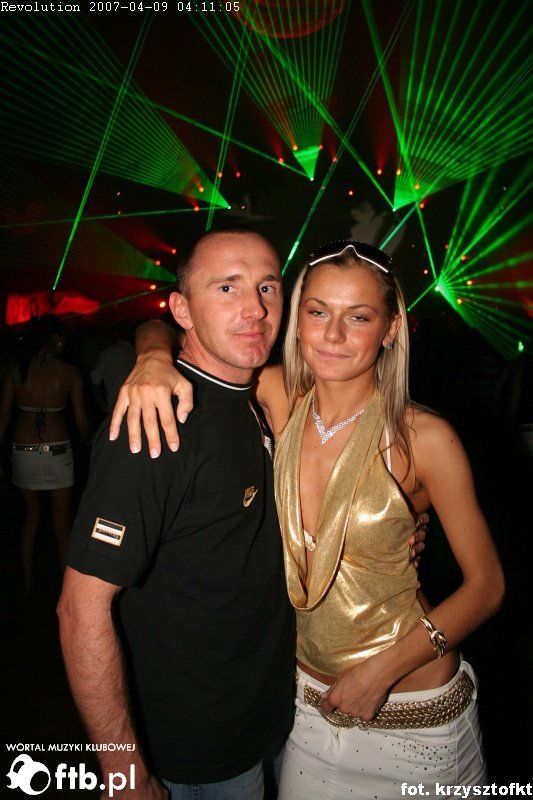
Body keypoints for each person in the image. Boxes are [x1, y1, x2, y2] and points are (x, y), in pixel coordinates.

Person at [115, 239, 504, 797]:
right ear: (296, 319)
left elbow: (487, 587)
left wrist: (382, 671)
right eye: (318, 312)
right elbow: (177, 329)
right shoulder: (277, 394)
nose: (334, 334)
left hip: (415, 710)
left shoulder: (425, 438)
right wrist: (152, 356)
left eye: (359, 317)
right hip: (307, 707)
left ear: (391, 329)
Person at [57, 229, 296, 800]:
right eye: (227, 288)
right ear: (183, 310)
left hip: (264, 715)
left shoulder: (253, 395)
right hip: (197, 748)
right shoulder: (156, 423)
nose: (255, 309)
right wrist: (124, 773)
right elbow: (80, 609)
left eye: (267, 287)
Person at [0, 314, 90, 592]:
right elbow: (81, 422)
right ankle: (67, 589)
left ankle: (27, 580)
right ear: (57, 339)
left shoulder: (17, 371)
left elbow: (3, 418)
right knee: (62, 524)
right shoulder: (70, 373)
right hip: (58, 452)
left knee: (31, 516)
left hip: (23, 451)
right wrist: (90, 441)